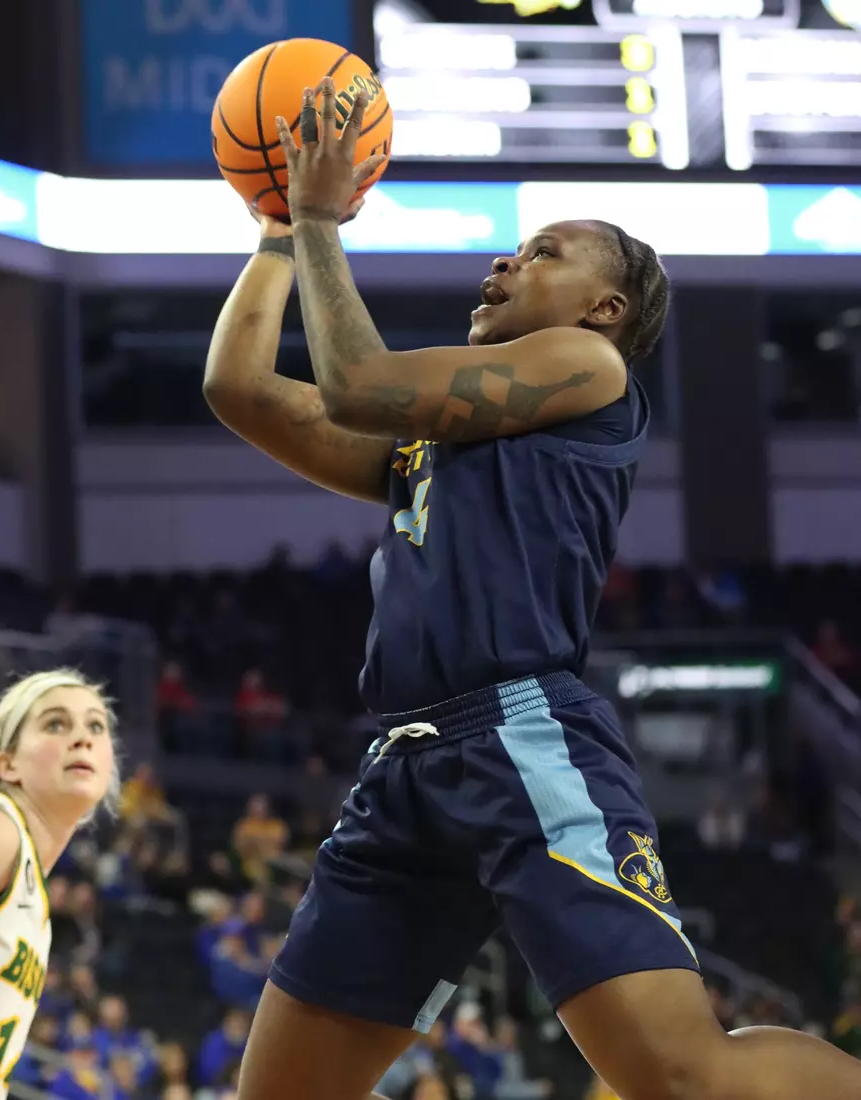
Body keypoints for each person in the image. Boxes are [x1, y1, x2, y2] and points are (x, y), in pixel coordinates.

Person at [203, 81, 861, 1100]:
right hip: (406, 766)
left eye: (546, 251)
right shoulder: (434, 438)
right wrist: (281, 232)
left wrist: (326, 219)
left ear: (606, 307)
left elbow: (358, 381)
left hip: (522, 736)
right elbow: (240, 389)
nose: (507, 259)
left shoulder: (588, 364)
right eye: (514, 246)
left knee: (683, 1075)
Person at [0, 669, 118, 1099]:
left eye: (96, 725)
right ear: (7, 763)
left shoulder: (29, 883)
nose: (82, 737)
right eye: (56, 723)